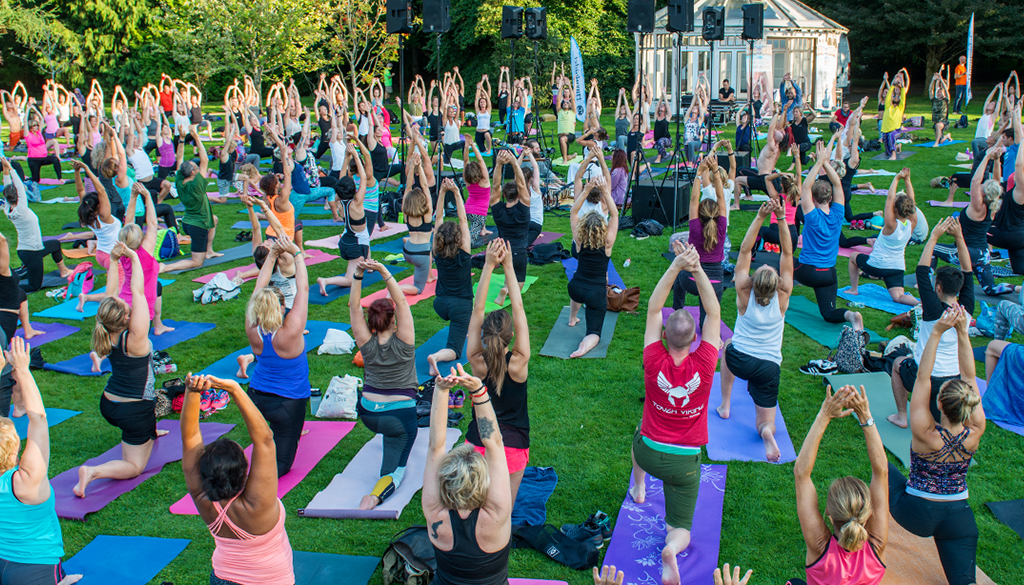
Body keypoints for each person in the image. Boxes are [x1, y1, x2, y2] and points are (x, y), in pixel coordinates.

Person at [631, 241, 721, 585]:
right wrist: (697, 269)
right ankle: (671, 548)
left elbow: (654, 309)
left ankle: (639, 488)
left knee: (639, 430)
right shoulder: (706, 362)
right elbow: (713, 313)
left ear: (664, 335)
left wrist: (676, 266)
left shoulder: (653, 358)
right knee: (680, 528)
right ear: (695, 336)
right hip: (684, 465)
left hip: (648, 452)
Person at [889, 305, 985, 585]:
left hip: (918, 513)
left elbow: (922, 377)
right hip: (960, 519)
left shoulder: (925, 432)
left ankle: (858, 542)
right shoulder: (975, 431)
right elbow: (969, 378)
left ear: (939, 404)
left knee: (880, 465)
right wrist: (962, 332)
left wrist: (937, 332)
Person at [180, 374, 294, 585]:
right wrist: (235, 390)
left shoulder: (202, 497)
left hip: (222, 578)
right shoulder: (257, 505)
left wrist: (192, 391)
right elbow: (265, 440)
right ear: (244, 472)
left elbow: (190, 438)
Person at [75, 242, 167, 497]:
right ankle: (92, 473)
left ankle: (150, 430)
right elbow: (137, 291)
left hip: (109, 403)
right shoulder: (135, 338)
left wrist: (115, 260)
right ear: (126, 317)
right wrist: (134, 258)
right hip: (133, 411)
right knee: (134, 466)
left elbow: (112, 292)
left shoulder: (106, 332)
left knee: (146, 415)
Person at [0, 338, 80, 585]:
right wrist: (22, 370)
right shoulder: (26, 482)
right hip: (33, 569)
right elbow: (38, 419)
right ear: (15, 452)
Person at [422, 362, 511, 585]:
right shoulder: (496, 515)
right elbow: (495, 444)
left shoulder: (434, 512)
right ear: (483, 482)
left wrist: (441, 390)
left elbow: (436, 446)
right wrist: (478, 391)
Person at [719, 200, 794, 462]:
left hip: (739, 359)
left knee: (727, 345)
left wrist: (761, 216)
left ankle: (726, 404)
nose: (765, 264)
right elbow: (786, 254)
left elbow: (744, 250)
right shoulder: (783, 298)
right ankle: (767, 434)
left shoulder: (743, 292)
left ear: (754, 280)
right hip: (768, 367)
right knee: (766, 422)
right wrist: (782, 218)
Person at [793, 383, 888, 585]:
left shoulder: (820, 548)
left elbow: (802, 474)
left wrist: (824, 416)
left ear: (828, 511)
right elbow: (881, 473)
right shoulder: (877, 545)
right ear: (870, 513)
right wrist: (865, 416)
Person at [889, 217, 975, 428]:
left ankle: (901, 416)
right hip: (955, 379)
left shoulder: (933, 310)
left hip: (928, 379)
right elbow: (968, 270)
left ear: (937, 288)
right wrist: (959, 236)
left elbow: (921, 269)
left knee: (898, 364)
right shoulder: (966, 310)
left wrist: (934, 236)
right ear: (959, 288)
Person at [349, 259, 419, 510]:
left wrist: (358, 274)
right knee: (394, 471)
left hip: (367, 412)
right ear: (393, 321)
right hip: (397, 419)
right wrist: (384, 271)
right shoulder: (405, 340)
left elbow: (354, 307)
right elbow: (402, 302)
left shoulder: (365, 343)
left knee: (390, 432)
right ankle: (373, 498)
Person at [465, 240, 530, 505]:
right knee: (503, 512)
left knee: (474, 505)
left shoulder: (476, 361)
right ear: (511, 336)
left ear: (483, 335)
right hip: (512, 449)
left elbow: (477, 309)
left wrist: (489, 266)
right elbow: (518, 309)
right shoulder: (518, 362)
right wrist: (509, 267)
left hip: (477, 445)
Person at [243, 236, 310, 477]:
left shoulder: (252, 326)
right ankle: (249, 484)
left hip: (256, 397)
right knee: (282, 464)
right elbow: (302, 289)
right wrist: (297, 254)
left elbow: (257, 290)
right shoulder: (290, 331)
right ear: (282, 306)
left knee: (264, 442)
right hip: (287, 403)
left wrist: (271, 256)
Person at [793, 140, 864, 330]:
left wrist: (818, 163)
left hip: (807, 271)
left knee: (783, 259)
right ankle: (851, 315)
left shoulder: (811, 215)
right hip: (829, 274)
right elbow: (838, 185)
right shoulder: (838, 214)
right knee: (828, 314)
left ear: (813, 199)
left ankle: (772, 300)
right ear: (830, 198)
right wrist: (825, 163)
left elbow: (805, 187)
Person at [846, 168, 920, 306]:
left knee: (853, 257)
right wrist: (907, 180)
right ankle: (920, 304)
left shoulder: (890, 225)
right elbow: (912, 201)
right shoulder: (911, 224)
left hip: (877, 266)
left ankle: (854, 289)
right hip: (897, 268)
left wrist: (897, 178)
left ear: (895, 209)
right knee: (898, 297)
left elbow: (889, 198)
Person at [1, 158, 73, 292]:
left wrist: (5, 169)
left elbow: (8, 188)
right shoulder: (22, 209)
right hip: (32, 253)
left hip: (28, 250)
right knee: (34, 286)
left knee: (55, 244)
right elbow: (20, 186)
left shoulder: (8, 209)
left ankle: (64, 271)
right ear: (18, 195)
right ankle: (6, 288)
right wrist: (10, 167)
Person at [567, 173, 619, 358]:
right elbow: (614, 214)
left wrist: (587, 189)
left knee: (579, 288)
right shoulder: (607, 242)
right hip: (596, 294)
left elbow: (573, 211)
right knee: (594, 333)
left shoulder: (579, 240)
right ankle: (584, 346)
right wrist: (606, 191)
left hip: (576, 289)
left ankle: (572, 318)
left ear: (583, 228)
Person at [427, 179, 474, 377]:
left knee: (464, 322)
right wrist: (456, 192)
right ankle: (436, 357)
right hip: (459, 306)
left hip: (440, 304)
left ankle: (466, 328)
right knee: (455, 351)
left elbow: (438, 220)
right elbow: (463, 220)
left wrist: (442, 192)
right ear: (459, 239)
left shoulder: (436, 251)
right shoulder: (464, 252)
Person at [673, 157, 727, 327]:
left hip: (690, 281)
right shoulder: (721, 227)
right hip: (716, 285)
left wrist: (698, 173)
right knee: (708, 315)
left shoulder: (695, 227)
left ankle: (677, 311)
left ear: (700, 214)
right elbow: (721, 197)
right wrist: (715, 171)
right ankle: (706, 324)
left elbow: (694, 199)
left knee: (678, 272)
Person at [159, 127, 221, 272]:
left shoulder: (180, 181)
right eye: (196, 167)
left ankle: (209, 251)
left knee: (214, 219)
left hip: (188, 222)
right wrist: (196, 138)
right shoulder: (197, 184)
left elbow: (179, 159)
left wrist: (181, 139)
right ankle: (164, 268)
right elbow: (205, 159)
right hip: (197, 226)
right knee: (196, 262)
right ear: (193, 172)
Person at [317, 148, 369, 294]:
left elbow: (341, 179)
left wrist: (346, 157)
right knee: (350, 280)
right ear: (354, 189)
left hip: (345, 242)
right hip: (355, 245)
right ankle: (326, 280)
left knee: (365, 243)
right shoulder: (357, 203)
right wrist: (357, 158)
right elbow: (363, 178)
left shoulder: (339, 201)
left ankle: (369, 264)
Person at [490, 151, 531, 306]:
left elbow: (495, 187)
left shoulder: (498, 209)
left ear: (505, 195)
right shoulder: (523, 208)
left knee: (508, 267)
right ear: (519, 195)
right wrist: (514, 163)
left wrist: (499, 164)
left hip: (502, 250)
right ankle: (507, 290)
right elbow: (521, 184)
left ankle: (506, 285)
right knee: (519, 281)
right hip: (519, 251)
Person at [987, 105, 1024, 275]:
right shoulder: (1010, 150)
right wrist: (1016, 113)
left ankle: (986, 257)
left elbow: (1018, 135)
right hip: (1016, 233)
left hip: (1010, 230)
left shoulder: (1019, 187)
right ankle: (1015, 266)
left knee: (979, 226)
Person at [463, 142, 493, 247]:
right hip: (479, 215)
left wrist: (466, 147)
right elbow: (480, 159)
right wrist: (472, 145)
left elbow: (466, 161)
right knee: (469, 241)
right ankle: (480, 230)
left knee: (478, 220)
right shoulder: (485, 181)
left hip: (465, 211)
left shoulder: (466, 180)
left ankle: (483, 230)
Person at [881, 68, 910, 161]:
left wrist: (901, 86)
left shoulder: (900, 108)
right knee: (887, 151)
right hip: (885, 130)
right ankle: (897, 147)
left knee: (891, 136)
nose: (896, 97)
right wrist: (893, 84)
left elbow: (903, 96)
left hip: (895, 130)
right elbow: (889, 94)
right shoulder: (887, 107)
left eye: (898, 97)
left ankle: (894, 155)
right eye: (895, 96)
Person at [929, 70, 954, 147]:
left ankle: (936, 143)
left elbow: (946, 90)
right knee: (941, 140)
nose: (939, 93)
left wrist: (941, 80)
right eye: (938, 92)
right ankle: (947, 136)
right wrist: (933, 80)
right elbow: (930, 90)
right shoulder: (934, 100)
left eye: (941, 92)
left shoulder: (946, 100)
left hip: (944, 122)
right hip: (936, 122)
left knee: (938, 126)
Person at [556, 91, 577, 164]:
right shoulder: (559, 112)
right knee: (565, 156)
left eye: (568, 103)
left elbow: (573, 99)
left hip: (570, 135)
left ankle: (565, 161)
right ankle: (572, 156)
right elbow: (558, 100)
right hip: (561, 136)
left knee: (562, 139)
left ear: (570, 106)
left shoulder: (572, 112)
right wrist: (561, 86)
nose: (565, 103)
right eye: (564, 102)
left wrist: (569, 85)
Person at [652, 93, 672, 164]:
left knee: (661, 141)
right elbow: (657, 105)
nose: (662, 106)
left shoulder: (667, 117)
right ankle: (668, 153)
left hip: (667, 139)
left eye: (663, 106)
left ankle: (658, 158)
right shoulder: (656, 117)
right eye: (661, 106)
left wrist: (664, 95)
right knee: (661, 146)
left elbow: (668, 107)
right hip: (658, 140)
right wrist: (661, 96)